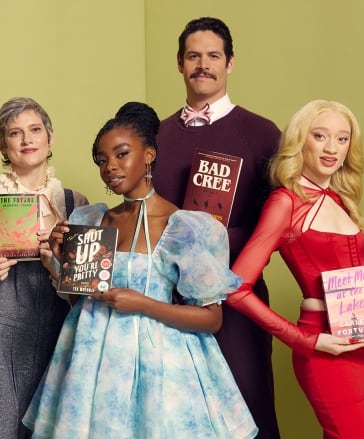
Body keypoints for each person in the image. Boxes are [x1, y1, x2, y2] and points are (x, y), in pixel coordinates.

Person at [23, 102, 257, 438]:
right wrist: (61, 257)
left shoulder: (183, 228)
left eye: (121, 154)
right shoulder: (91, 220)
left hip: (161, 369)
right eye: (102, 160)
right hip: (91, 369)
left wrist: (143, 303)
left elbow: (212, 319)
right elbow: (79, 305)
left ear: (148, 155)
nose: (110, 167)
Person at [226, 100, 364, 438]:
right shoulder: (285, 202)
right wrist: (305, 340)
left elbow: (355, 275)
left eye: (342, 139)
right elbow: (237, 288)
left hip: (362, 345)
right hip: (325, 347)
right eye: (320, 136)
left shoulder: (342, 200)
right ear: (301, 140)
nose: (332, 148)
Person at [152, 17, 282, 437]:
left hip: (236, 298)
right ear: (179, 63)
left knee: (249, 414)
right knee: (176, 417)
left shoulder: (262, 134)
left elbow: (277, 223)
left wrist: (212, 239)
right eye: (194, 56)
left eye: (213, 56)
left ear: (230, 63)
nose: (203, 65)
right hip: (169, 303)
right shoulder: (155, 136)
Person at [0, 97, 88, 439]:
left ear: (50, 137)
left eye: (35, 130)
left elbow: (85, 289)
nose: (27, 140)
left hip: (57, 333)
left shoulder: (75, 203)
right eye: (15, 133)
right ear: (2, 144)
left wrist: (55, 265)